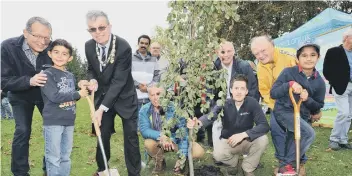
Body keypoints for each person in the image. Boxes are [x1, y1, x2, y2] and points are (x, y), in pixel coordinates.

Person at [80, 10, 141, 176]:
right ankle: (102, 170)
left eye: (101, 27)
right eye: (92, 29)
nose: (98, 32)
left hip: (124, 97)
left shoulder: (123, 47)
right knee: (102, 133)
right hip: (102, 97)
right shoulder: (88, 46)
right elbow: (92, 69)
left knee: (130, 138)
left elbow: (119, 81)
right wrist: (92, 80)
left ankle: (134, 173)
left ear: (109, 26)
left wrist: (101, 109)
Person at [188, 74, 270, 176]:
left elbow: (264, 125)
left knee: (263, 139)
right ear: (231, 90)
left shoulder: (252, 103)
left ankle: (248, 167)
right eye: (236, 88)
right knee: (217, 155)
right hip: (229, 141)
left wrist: (244, 134)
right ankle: (234, 164)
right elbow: (210, 116)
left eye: (242, 88)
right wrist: (198, 122)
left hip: (247, 140)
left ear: (246, 91)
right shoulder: (224, 103)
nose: (239, 91)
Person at [1, 16, 53, 176]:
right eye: (37, 36)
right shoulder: (7, 47)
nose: (42, 42)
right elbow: (3, 81)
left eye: (46, 37)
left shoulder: (53, 47)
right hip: (20, 95)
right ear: (25, 32)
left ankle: (50, 169)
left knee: (53, 130)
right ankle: (20, 172)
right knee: (22, 130)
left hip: (46, 96)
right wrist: (29, 81)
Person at [270, 42, 325, 176]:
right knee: (308, 133)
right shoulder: (288, 72)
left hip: (302, 114)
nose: (308, 58)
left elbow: (318, 106)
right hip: (283, 111)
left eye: (312, 55)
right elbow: (274, 93)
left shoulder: (320, 82)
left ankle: (286, 167)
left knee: (293, 138)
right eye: (304, 55)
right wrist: (289, 84)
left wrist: (307, 99)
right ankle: (288, 165)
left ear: (318, 57)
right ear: (298, 58)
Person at [250, 35, 299, 174]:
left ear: (272, 46)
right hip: (277, 105)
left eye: (263, 50)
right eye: (256, 53)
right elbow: (264, 90)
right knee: (276, 131)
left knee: (296, 134)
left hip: (295, 104)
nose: (260, 55)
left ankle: (298, 162)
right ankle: (283, 163)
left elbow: (305, 78)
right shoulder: (260, 66)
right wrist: (275, 106)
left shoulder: (289, 56)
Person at [40, 39, 88, 176]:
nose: (60, 56)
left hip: (69, 121)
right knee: (53, 158)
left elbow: (72, 96)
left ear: (70, 57)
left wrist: (81, 90)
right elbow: (54, 96)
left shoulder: (70, 75)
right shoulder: (46, 74)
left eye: (64, 54)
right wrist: (77, 93)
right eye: (56, 52)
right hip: (53, 121)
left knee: (65, 157)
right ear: (49, 53)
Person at [139, 86, 203, 174]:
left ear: (164, 94)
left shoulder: (174, 108)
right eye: (152, 95)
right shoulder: (144, 110)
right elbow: (144, 130)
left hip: (176, 141)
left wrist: (182, 158)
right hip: (158, 141)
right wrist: (162, 136)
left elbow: (183, 133)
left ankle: (183, 164)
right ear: (148, 96)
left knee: (198, 151)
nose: (155, 98)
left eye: (158, 94)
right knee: (148, 143)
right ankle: (160, 163)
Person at [323, 28, 352, 150]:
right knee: (343, 112)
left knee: (349, 115)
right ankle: (334, 139)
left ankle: (343, 140)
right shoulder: (333, 51)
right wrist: (334, 82)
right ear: (346, 38)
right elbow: (326, 70)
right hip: (341, 86)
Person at [132, 35, 157, 111]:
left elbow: (157, 76)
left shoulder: (154, 59)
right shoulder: (130, 58)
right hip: (134, 96)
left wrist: (148, 87)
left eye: (146, 44)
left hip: (149, 96)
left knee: (148, 120)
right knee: (135, 120)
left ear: (148, 45)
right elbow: (126, 75)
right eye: (142, 43)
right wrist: (138, 85)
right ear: (138, 43)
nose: (143, 45)